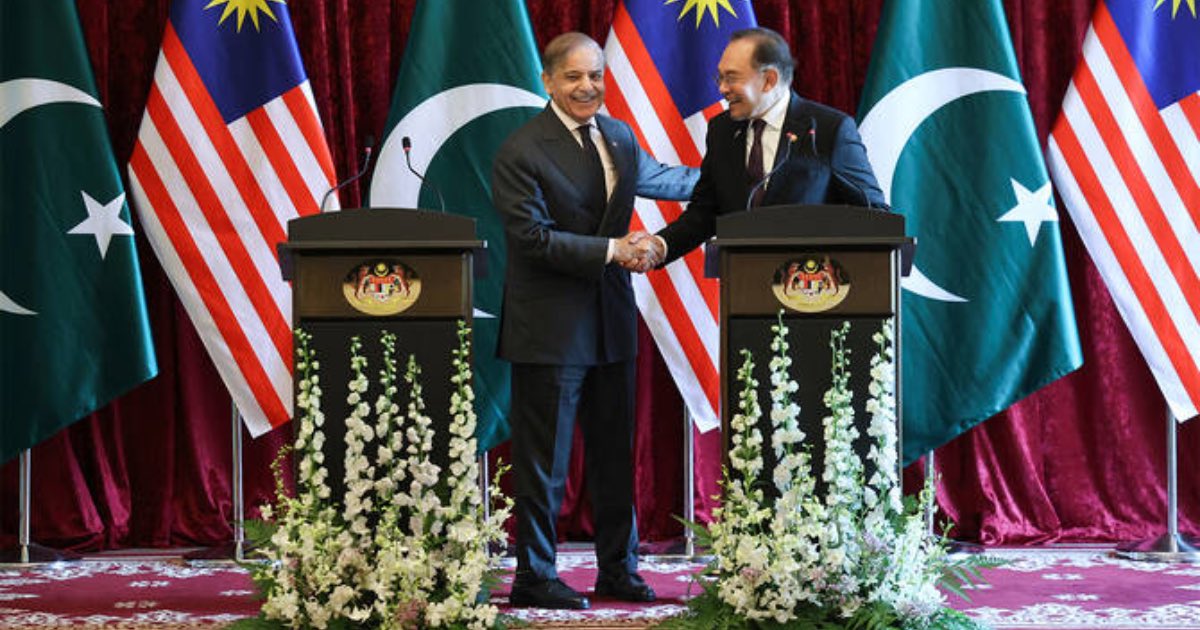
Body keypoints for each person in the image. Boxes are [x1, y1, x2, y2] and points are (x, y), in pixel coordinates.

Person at [491, 32, 698, 610]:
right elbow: (533, 240)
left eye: (596, 76)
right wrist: (613, 250)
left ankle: (618, 571)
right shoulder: (521, 150)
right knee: (545, 463)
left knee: (613, 458)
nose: (587, 87)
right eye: (574, 77)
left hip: (610, 322)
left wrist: (739, 178)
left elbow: (667, 180)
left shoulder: (619, 135)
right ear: (548, 81)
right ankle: (535, 577)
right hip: (551, 329)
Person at [637, 27, 887, 267]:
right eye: (720, 77)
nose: (722, 88)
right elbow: (705, 210)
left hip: (812, 283)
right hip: (743, 284)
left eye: (731, 78)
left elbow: (873, 212)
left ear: (769, 80)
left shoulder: (827, 129)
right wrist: (660, 246)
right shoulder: (722, 130)